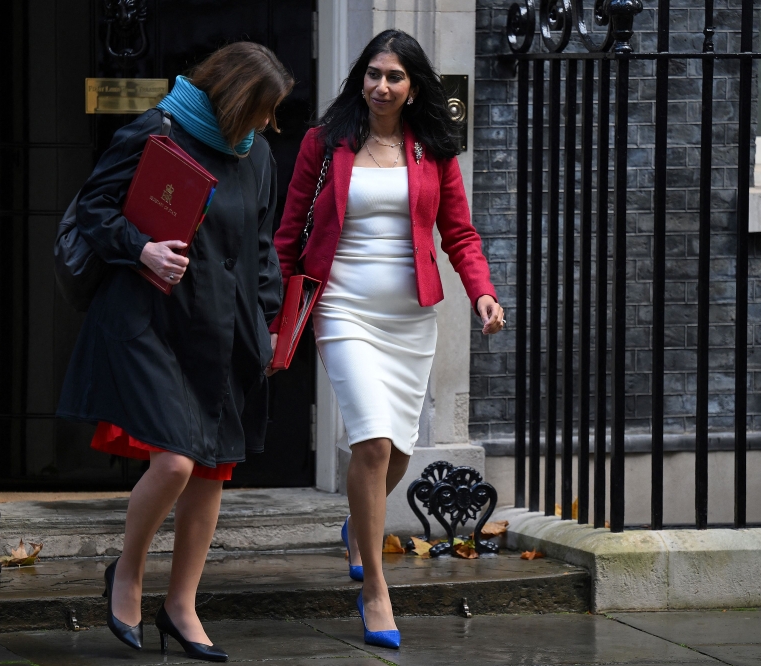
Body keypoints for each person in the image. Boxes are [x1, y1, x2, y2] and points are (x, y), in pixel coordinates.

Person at [57, 42, 293, 662]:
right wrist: (141, 250)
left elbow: (262, 248)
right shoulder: (156, 131)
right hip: (151, 319)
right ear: (237, 99)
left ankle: (182, 606)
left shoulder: (258, 154)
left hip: (222, 329)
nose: (270, 124)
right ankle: (127, 573)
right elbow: (93, 211)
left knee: (212, 468)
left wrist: (268, 320)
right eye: (264, 109)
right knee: (176, 462)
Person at [271, 29, 504, 649]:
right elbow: (290, 230)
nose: (381, 85)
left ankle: (357, 527)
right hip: (343, 307)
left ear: (413, 86)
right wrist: (274, 308)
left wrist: (481, 290)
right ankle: (375, 586)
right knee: (371, 443)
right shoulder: (325, 143)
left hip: (409, 317)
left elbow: (460, 233)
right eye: (374, 73)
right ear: (361, 78)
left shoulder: (431, 149)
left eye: (395, 76)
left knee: (397, 453)